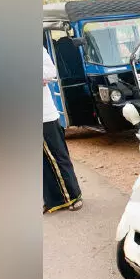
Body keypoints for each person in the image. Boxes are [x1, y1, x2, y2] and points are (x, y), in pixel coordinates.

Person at [43, 46, 83, 213]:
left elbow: (50, 71)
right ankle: (54, 200)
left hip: (45, 115)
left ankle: (74, 196)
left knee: (58, 156)